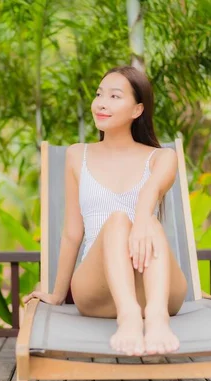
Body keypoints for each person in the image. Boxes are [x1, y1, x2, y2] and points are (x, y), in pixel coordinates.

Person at [23, 65, 188, 356]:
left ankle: (158, 319)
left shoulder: (162, 157)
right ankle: (128, 317)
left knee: (145, 219)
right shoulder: (77, 155)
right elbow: (73, 233)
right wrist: (57, 294)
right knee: (116, 220)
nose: (101, 103)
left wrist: (140, 223)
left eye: (114, 96)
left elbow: (151, 193)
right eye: (99, 94)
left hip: (158, 290)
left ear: (137, 110)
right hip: (97, 289)